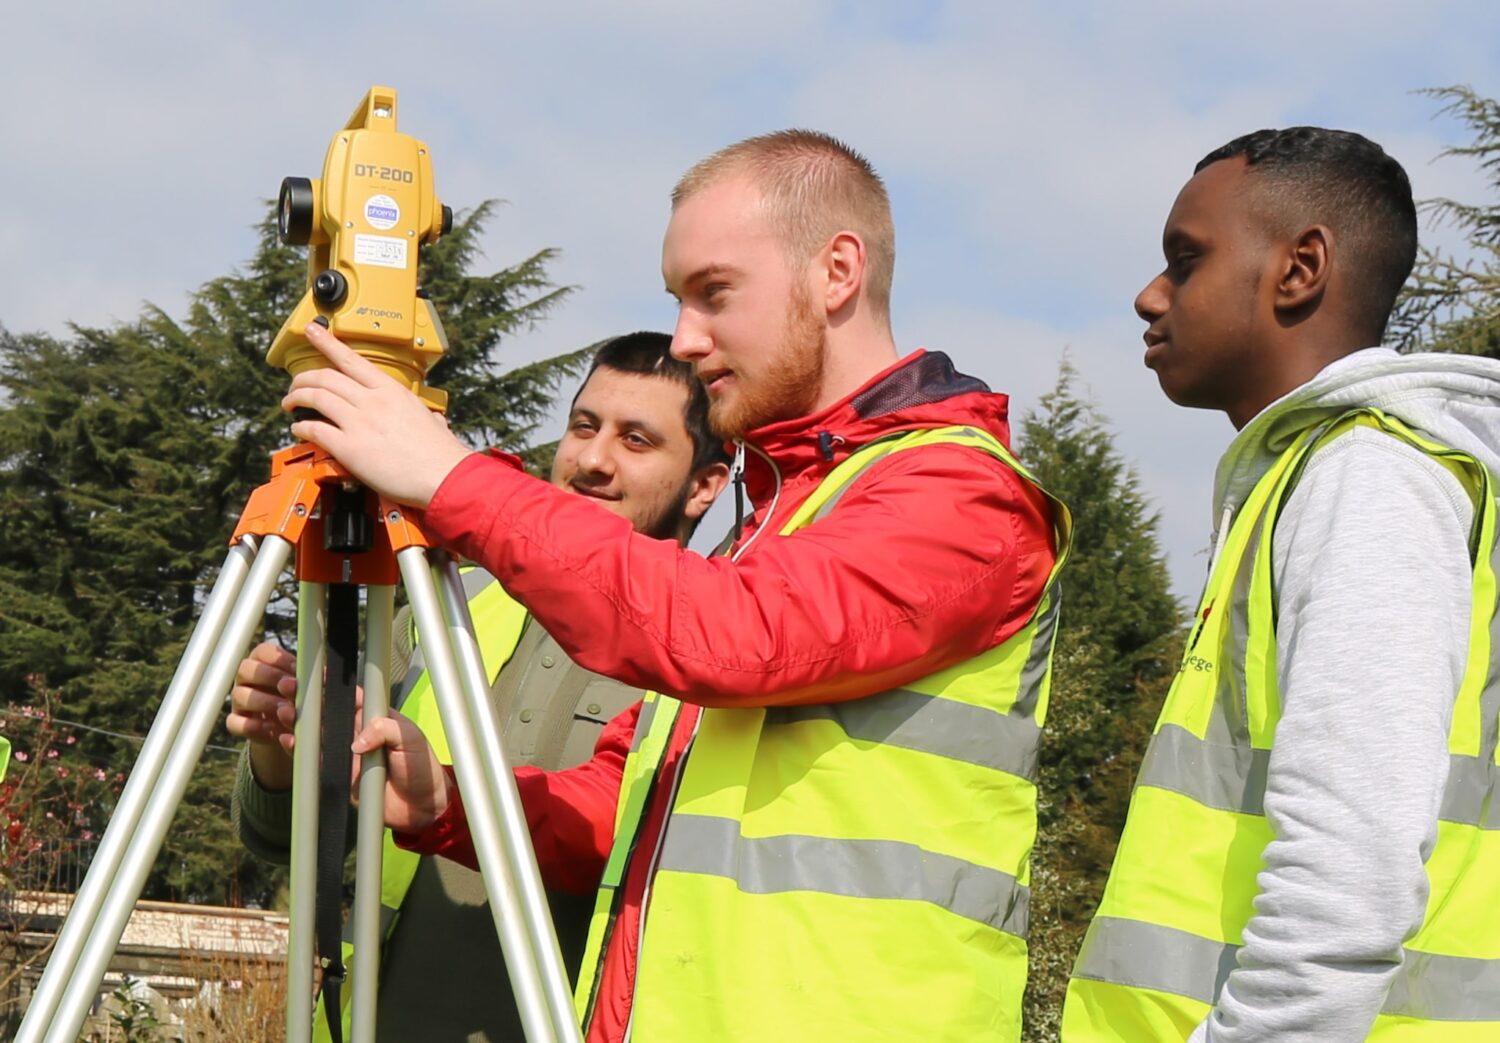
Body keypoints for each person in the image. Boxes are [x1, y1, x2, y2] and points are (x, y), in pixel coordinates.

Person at [286, 129, 1070, 1042]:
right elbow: (620, 807)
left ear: (838, 271)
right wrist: (446, 806)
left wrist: (451, 479)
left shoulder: (959, 494)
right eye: (678, 300)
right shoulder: (778, 520)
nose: (687, 340)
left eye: (714, 294)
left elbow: (733, 634)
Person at [1062, 127, 1500, 1041]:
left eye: (1186, 260)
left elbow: (1350, 871)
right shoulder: (1314, 478)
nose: (1150, 295)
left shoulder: (1366, 477)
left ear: (1300, 269)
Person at [227, 332, 730, 1042]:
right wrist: (282, 750)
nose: (592, 460)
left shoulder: (707, 657)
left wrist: (447, 801)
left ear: (705, 483)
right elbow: (285, 842)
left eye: (637, 440)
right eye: (583, 426)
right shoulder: (446, 606)